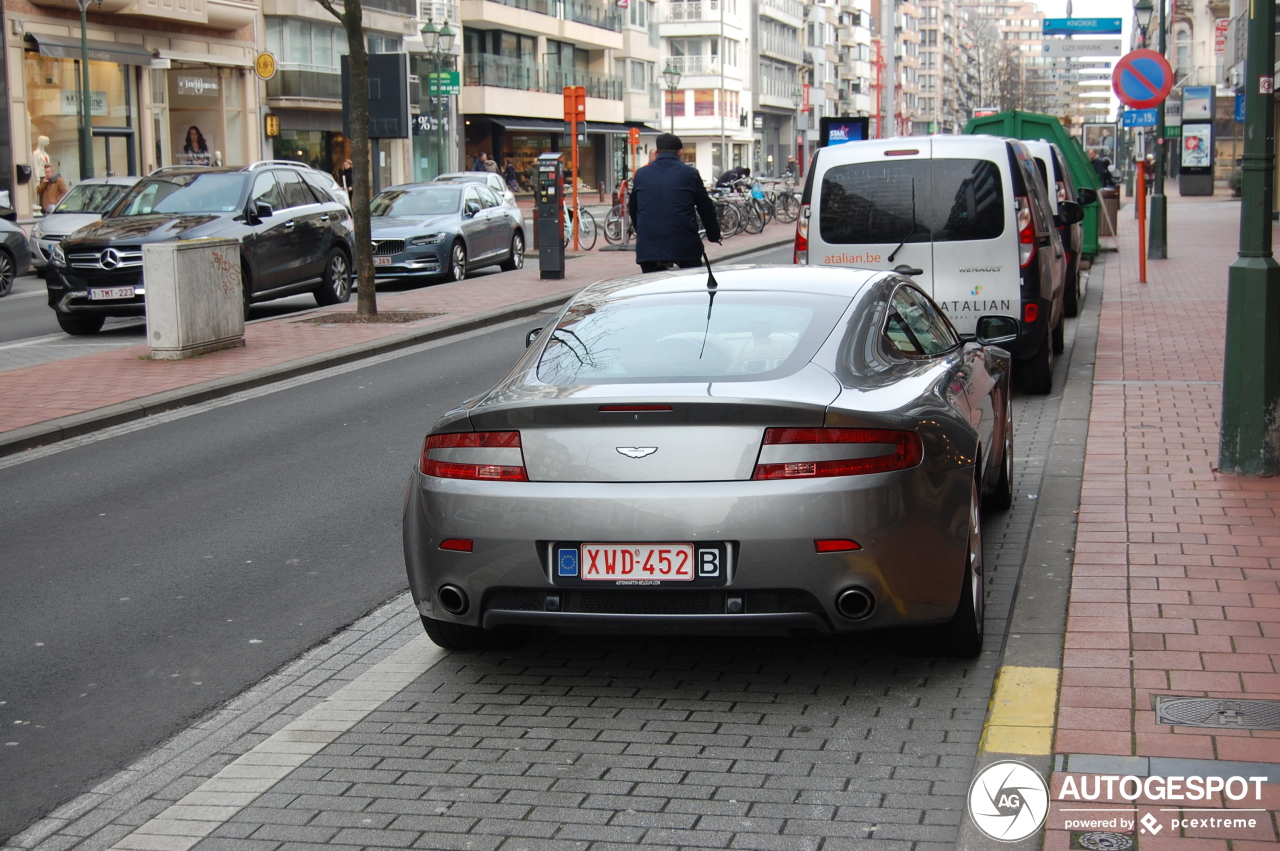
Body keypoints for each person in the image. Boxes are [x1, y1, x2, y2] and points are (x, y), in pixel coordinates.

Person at [627, 133, 721, 274]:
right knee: (691, 284)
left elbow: (633, 207)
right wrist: (714, 235)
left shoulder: (641, 174)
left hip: (649, 245)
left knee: (651, 285)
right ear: (680, 153)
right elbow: (705, 208)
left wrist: (640, 231)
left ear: (657, 152)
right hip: (683, 243)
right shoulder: (690, 173)